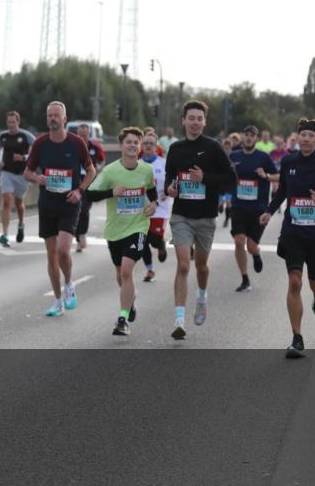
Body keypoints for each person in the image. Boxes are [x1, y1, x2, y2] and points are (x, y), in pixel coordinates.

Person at [260, 118, 315, 358]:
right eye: (303, 134)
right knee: (295, 282)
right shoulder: (288, 162)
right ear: (297, 138)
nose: (307, 138)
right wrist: (268, 210)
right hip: (293, 233)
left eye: (311, 135)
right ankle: (297, 338)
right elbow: (284, 191)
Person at [164, 100, 238, 339]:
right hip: (181, 215)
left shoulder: (214, 148)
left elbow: (231, 177)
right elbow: (168, 178)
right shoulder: (175, 149)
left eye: (200, 118)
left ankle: (202, 296)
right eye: (191, 118)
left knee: (201, 266)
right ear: (183, 121)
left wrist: (205, 177)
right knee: (184, 264)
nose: (195, 122)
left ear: (205, 122)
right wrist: (170, 188)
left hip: (205, 216)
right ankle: (179, 320)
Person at [85, 127, 159, 336]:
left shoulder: (146, 170)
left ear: (141, 146)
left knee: (127, 270)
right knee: (120, 274)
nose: (133, 145)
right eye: (129, 142)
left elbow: (152, 192)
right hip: (115, 231)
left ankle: (122, 319)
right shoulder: (110, 171)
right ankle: (130, 301)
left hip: (138, 226)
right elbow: (88, 195)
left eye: (137, 142)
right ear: (121, 146)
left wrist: (153, 204)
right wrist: (111, 192)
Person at [24, 101, 96, 317]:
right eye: (50, 116)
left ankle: (69, 283)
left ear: (65, 119)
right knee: (51, 255)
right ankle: (57, 300)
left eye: (56, 115)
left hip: (69, 204)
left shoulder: (76, 143)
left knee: (63, 250)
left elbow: (91, 171)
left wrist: (80, 191)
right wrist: (38, 177)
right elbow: (26, 172)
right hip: (47, 205)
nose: (53, 119)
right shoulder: (40, 144)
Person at [229, 125, 279, 292]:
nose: (249, 138)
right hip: (239, 207)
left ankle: (256, 254)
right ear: (243, 138)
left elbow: (279, 176)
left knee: (251, 246)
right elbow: (225, 174)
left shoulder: (263, 158)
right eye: (247, 135)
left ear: (256, 139)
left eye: (252, 135)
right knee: (238, 241)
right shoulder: (234, 156)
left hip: (258, 208)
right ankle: (245, 279)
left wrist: (266, 176)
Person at [0, 111, 36, 247]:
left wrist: (23, 157)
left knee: (19, 203)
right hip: (7, 172)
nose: (11, 125)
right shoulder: (3, 136)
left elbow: (35, 150)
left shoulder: (26, 136)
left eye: (13, 122)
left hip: (21, 175)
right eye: (9, 122)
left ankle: (20, 225)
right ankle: (5, 235)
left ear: (18, 122)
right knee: (7, 200)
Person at [140, 130, 171, 282]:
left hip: (160, 208)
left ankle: (161, 244)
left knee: (153, 239)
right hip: (141, 209)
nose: (148, 146)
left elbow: (174, 180)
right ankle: (150, 270)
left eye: (151, 143)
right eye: (145, 143)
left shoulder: (164, 164)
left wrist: (169, 189)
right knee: (142, 241)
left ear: (156, 146)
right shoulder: (136, 164)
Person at [74, 122, 106, 252]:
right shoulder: (72, 146)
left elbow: (102, 160)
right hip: (75, 181)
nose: (82, 139)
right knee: (75, 209)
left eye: (85, 136)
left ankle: (82, 234)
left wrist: (98, 167)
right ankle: (78, 237)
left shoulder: (95, 147)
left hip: (89, 181)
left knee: (85, 209)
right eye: (80, 136)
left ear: (88, 135)